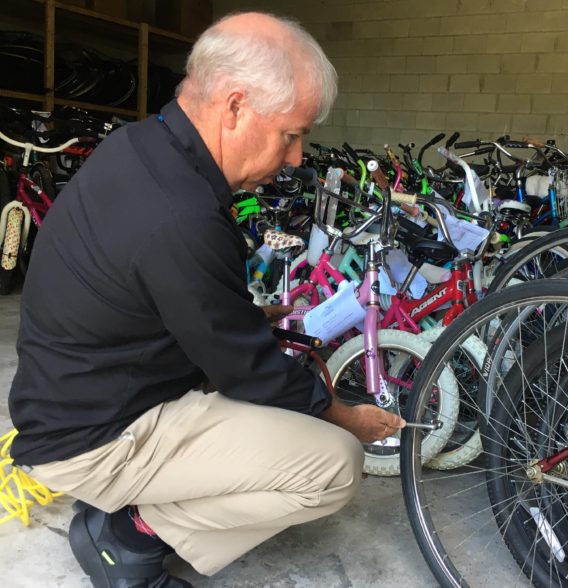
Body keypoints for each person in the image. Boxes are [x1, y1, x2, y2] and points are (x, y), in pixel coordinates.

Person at [8, 12, 405, 588]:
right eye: (290, 135)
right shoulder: (182, 213)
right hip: (98, 437)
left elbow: (160, 293)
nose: (295, 158)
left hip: (73, 400)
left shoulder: (141, 146)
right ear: (236, 106)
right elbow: (250, 372)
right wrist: (347, 417)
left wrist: (238, 314)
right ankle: (128, 535)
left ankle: (131, 505)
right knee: (334, 465)